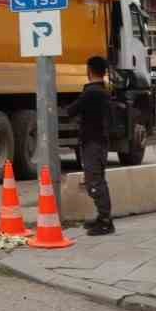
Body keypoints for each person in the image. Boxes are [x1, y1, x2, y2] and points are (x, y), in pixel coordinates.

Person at [64, 56, 115, 236]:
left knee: (94, 181)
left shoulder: (92, 92)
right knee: (98, 179)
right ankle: (103, 218)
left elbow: (71, 110)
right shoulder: (104, 91)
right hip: (100, 141)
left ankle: (105, 221)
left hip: (92, 142)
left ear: (89, 71)